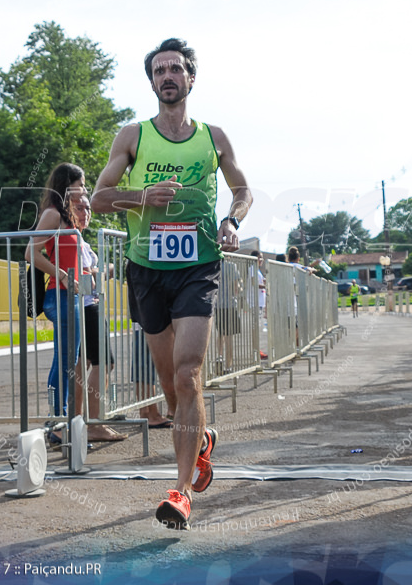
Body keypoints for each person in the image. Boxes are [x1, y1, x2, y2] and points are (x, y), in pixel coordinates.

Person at [90, 37, 251, 529]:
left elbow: (242, 190)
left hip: (198, 265)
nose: (167, 76)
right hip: (146, 269)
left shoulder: (214, 137)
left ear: (190, 78)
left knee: (187, 375)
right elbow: (98, 200)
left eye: (176, 68)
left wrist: (232, 221)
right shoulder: (132, 136)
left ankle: (180, 491)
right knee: (169, 386)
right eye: (159, 70)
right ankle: (200, 440)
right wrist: (142, 197)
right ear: (152, 81)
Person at [25, 163, 86, 419]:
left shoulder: (66, 215)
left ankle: (59, 418)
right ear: (67, 185)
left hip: (69, 295)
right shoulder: (52, 214)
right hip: (58, 295)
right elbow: (30, 253)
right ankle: (58, 419)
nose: (83, 189)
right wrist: (61, 273)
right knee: (65, 362)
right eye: (80, 184)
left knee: (66, 360)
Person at [72, 195, 126, 442]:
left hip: (87, 305)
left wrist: (99, 271)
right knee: (103, 363)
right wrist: (97, 271)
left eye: (87, 208)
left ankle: (79, 420)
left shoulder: (81, 239)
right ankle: (92, 423)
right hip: (87, 305)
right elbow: (87, 274)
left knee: (82, 365)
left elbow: (95, 272)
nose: (86, 212)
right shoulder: (71, 238)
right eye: (79, 207)